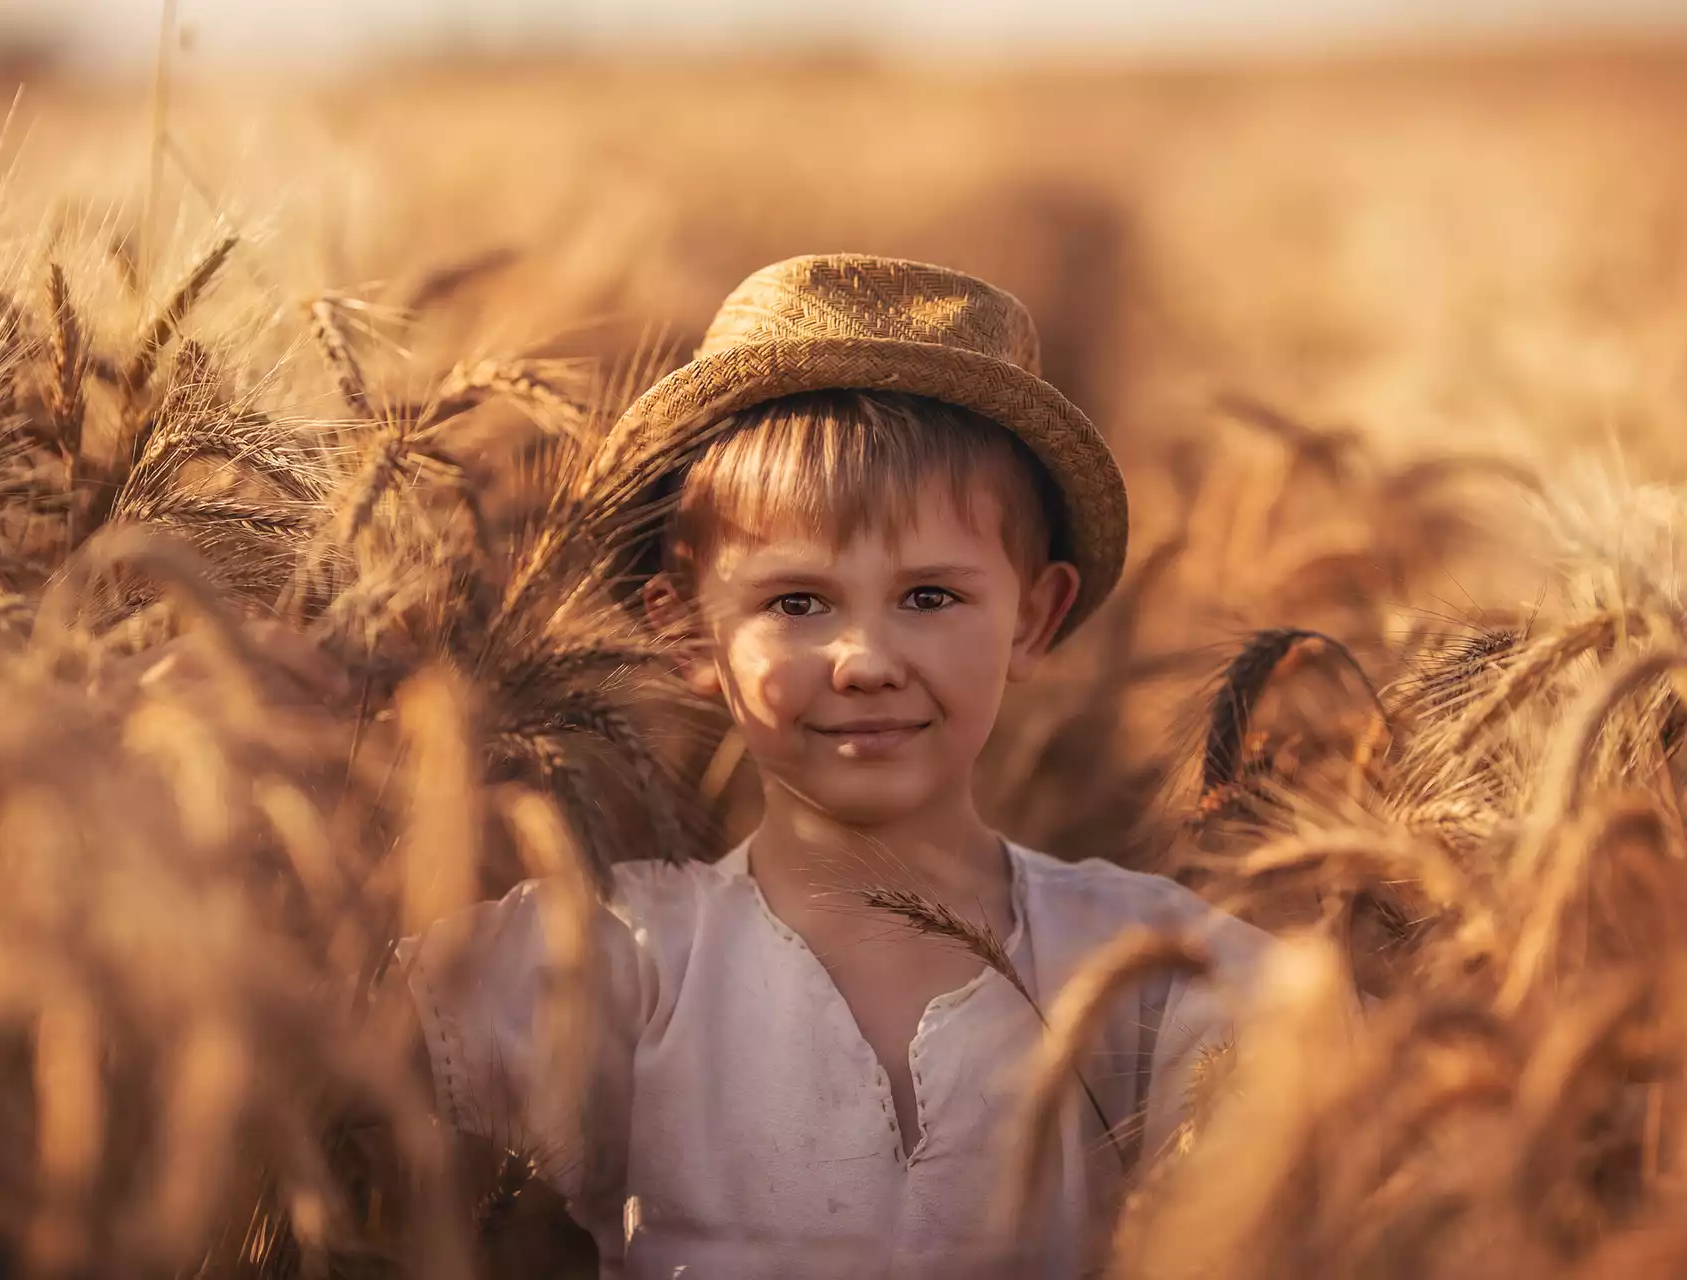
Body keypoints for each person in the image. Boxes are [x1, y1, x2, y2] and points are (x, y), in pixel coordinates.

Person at [396, 254, 1271, 1279]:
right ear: (684, 630)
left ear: (1034, 616)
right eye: (796, 602)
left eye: (931, 596)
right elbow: (301, 1055)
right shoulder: (616, 964)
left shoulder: (1154, 971)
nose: (865, 660)